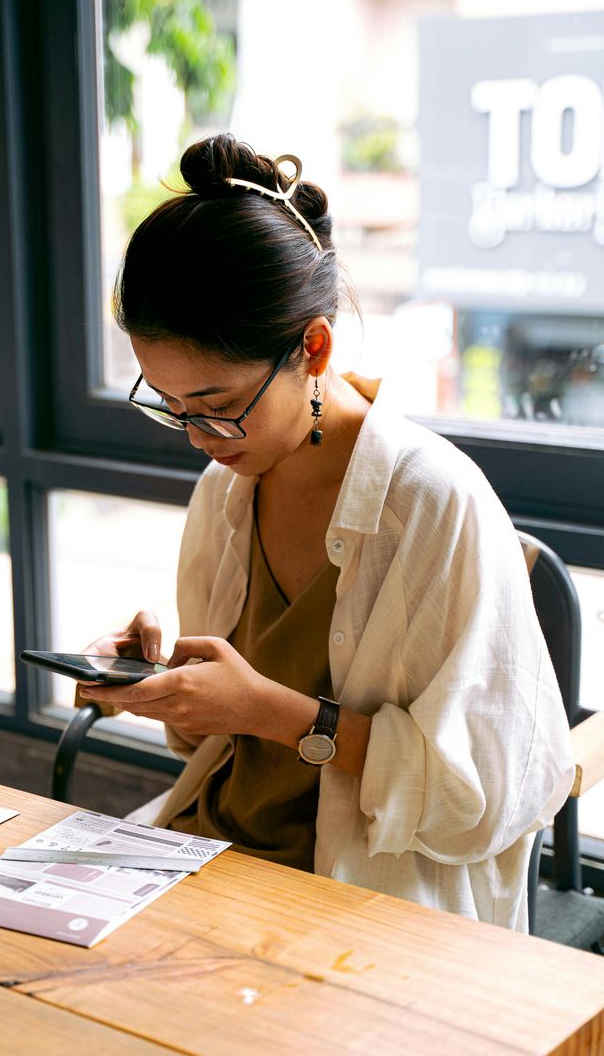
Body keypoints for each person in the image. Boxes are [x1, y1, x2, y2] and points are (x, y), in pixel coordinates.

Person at [79, 132, 574, 934]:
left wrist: (275, 712)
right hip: (202, 858)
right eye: (171, 408)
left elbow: (485, 800)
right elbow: (204, 751)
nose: (198, 437)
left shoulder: (430, 504)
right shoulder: (226, 490)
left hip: (356, 904)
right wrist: (167, 686)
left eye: (218, 405)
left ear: (313, 347)